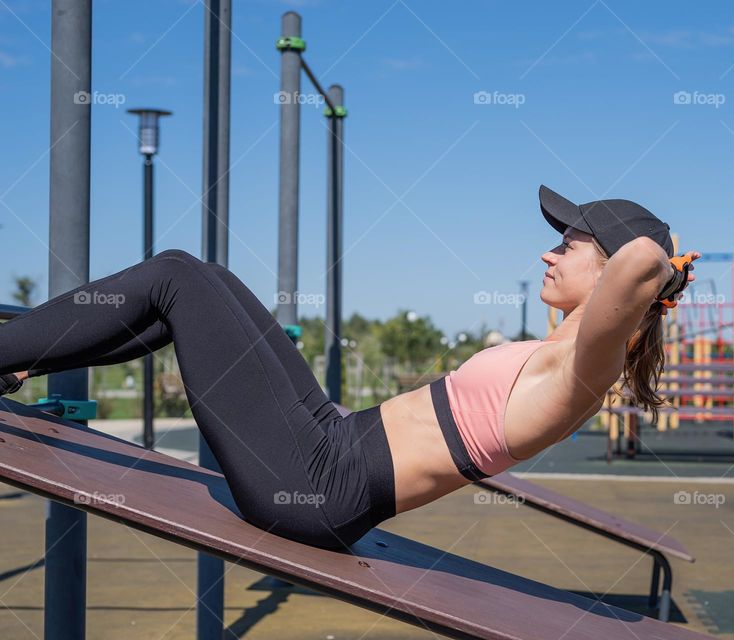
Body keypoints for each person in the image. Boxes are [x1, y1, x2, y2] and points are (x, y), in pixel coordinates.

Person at [0, 184, 698, 550]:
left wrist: (661, 269)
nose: (549, 254)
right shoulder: (561, 353)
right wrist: (653, 271)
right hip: (330, 442)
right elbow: (633, 268)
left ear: (613, 277)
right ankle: (19, 361)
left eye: (571, 245)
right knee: (196, 278)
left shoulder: (584, 366)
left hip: (320, 483)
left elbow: (639, 264)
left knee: (178, 277)